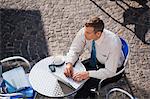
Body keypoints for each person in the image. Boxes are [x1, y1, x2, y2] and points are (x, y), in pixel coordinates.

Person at [64, 16, 125, 98]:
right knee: (72, 74)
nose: (84, 34)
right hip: (95, 62)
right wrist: (69, 63)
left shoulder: (113, 43)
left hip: (113, 70)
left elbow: (110, 72)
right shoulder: (85, 31)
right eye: (85, 31)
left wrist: (88, 74)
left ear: (98, 34)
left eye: (88, 33)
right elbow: (75, 50)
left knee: (82, 89)